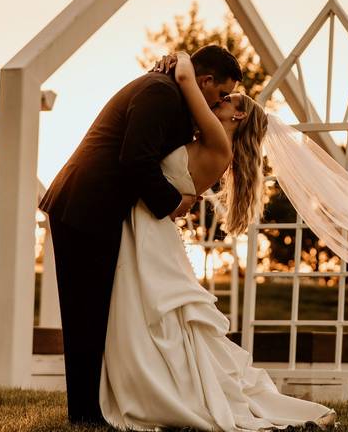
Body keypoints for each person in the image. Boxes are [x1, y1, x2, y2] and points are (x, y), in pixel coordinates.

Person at [98, 51, 335, 431]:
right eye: (223, 96)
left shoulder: (217, 142)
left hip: (150, 228)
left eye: (228, 100)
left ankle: (160, 390)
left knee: (156, 317)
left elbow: (190, 82)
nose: (220, 102)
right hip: (151, 226)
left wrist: (183, 59)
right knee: (161, 320)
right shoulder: (215, 145)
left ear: (237, 116)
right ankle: (158, 383)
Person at [40, 45, 242, 424]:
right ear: (206, 80)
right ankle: (85, 413)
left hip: (97, 208)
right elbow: (135, 158)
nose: (218, 102)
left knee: (97, 313)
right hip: (86, 206)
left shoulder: (171, 95)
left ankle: (91, 408)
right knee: (86, 314)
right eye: (219, 93)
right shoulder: (160, 93)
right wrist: (174, 203)